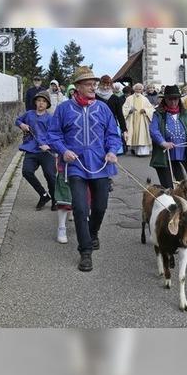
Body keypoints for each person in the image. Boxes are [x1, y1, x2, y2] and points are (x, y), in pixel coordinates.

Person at [48, 66, 122, 272]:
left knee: (100, 207)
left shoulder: (103, 108)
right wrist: (63, 151)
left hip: (101, 164)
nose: (93, 87)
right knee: (80, 209)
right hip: (76, 166)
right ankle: (85, 251)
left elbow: (112, 134)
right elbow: (53, 135)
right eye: (89, 84)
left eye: (94, 84)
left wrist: (112, 150)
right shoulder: (63, 109)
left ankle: (93, 232)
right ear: (78, 87)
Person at [149, 85, 187, 189]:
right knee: (168, 188)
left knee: (184, 187)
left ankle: (184, 205)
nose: (173, 102)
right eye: (170, 99)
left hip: (183, 155)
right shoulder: (158, 114)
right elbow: (154, 130)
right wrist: (163, 143)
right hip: (165, 156)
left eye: (175, 99)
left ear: (179, 99)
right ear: (165, 100)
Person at [15, 90, 57, 211]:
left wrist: (48, 145)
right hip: (31, 149)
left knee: (50, 175)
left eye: (43, 101)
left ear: (47, 104)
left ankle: (55, 199)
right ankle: (43, 195)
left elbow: (55, 134)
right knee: (26, 171)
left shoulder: (50, 118)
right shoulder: (29, 114)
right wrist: (21, 125)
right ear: (35, 102)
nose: (40, 103)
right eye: (38, 100)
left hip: (45, 151)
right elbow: (17, 120)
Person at [123, 83, 154, 156]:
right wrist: (129, 110)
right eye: (137, 89)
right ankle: (134, 149)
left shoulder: (144, 98)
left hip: (142, 119)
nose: (138, 90)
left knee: (142, 134)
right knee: (134, 133)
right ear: (134, 89)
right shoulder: (129, 98)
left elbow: (151, 108)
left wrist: (145, 110)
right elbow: (124, 108)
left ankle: (143, 152)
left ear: (142, 90)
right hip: (133, 119)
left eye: (140, 89)